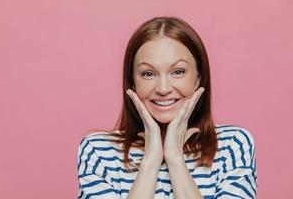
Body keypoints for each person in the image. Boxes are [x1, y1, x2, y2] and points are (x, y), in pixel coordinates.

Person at [77, 16, 257, 199]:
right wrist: (151, 161)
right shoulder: (98, 151)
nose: (163, 89)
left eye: (178, 72)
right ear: (132, 83)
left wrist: (174, 158)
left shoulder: (232, 146)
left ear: (198, 78)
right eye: (148, 73)